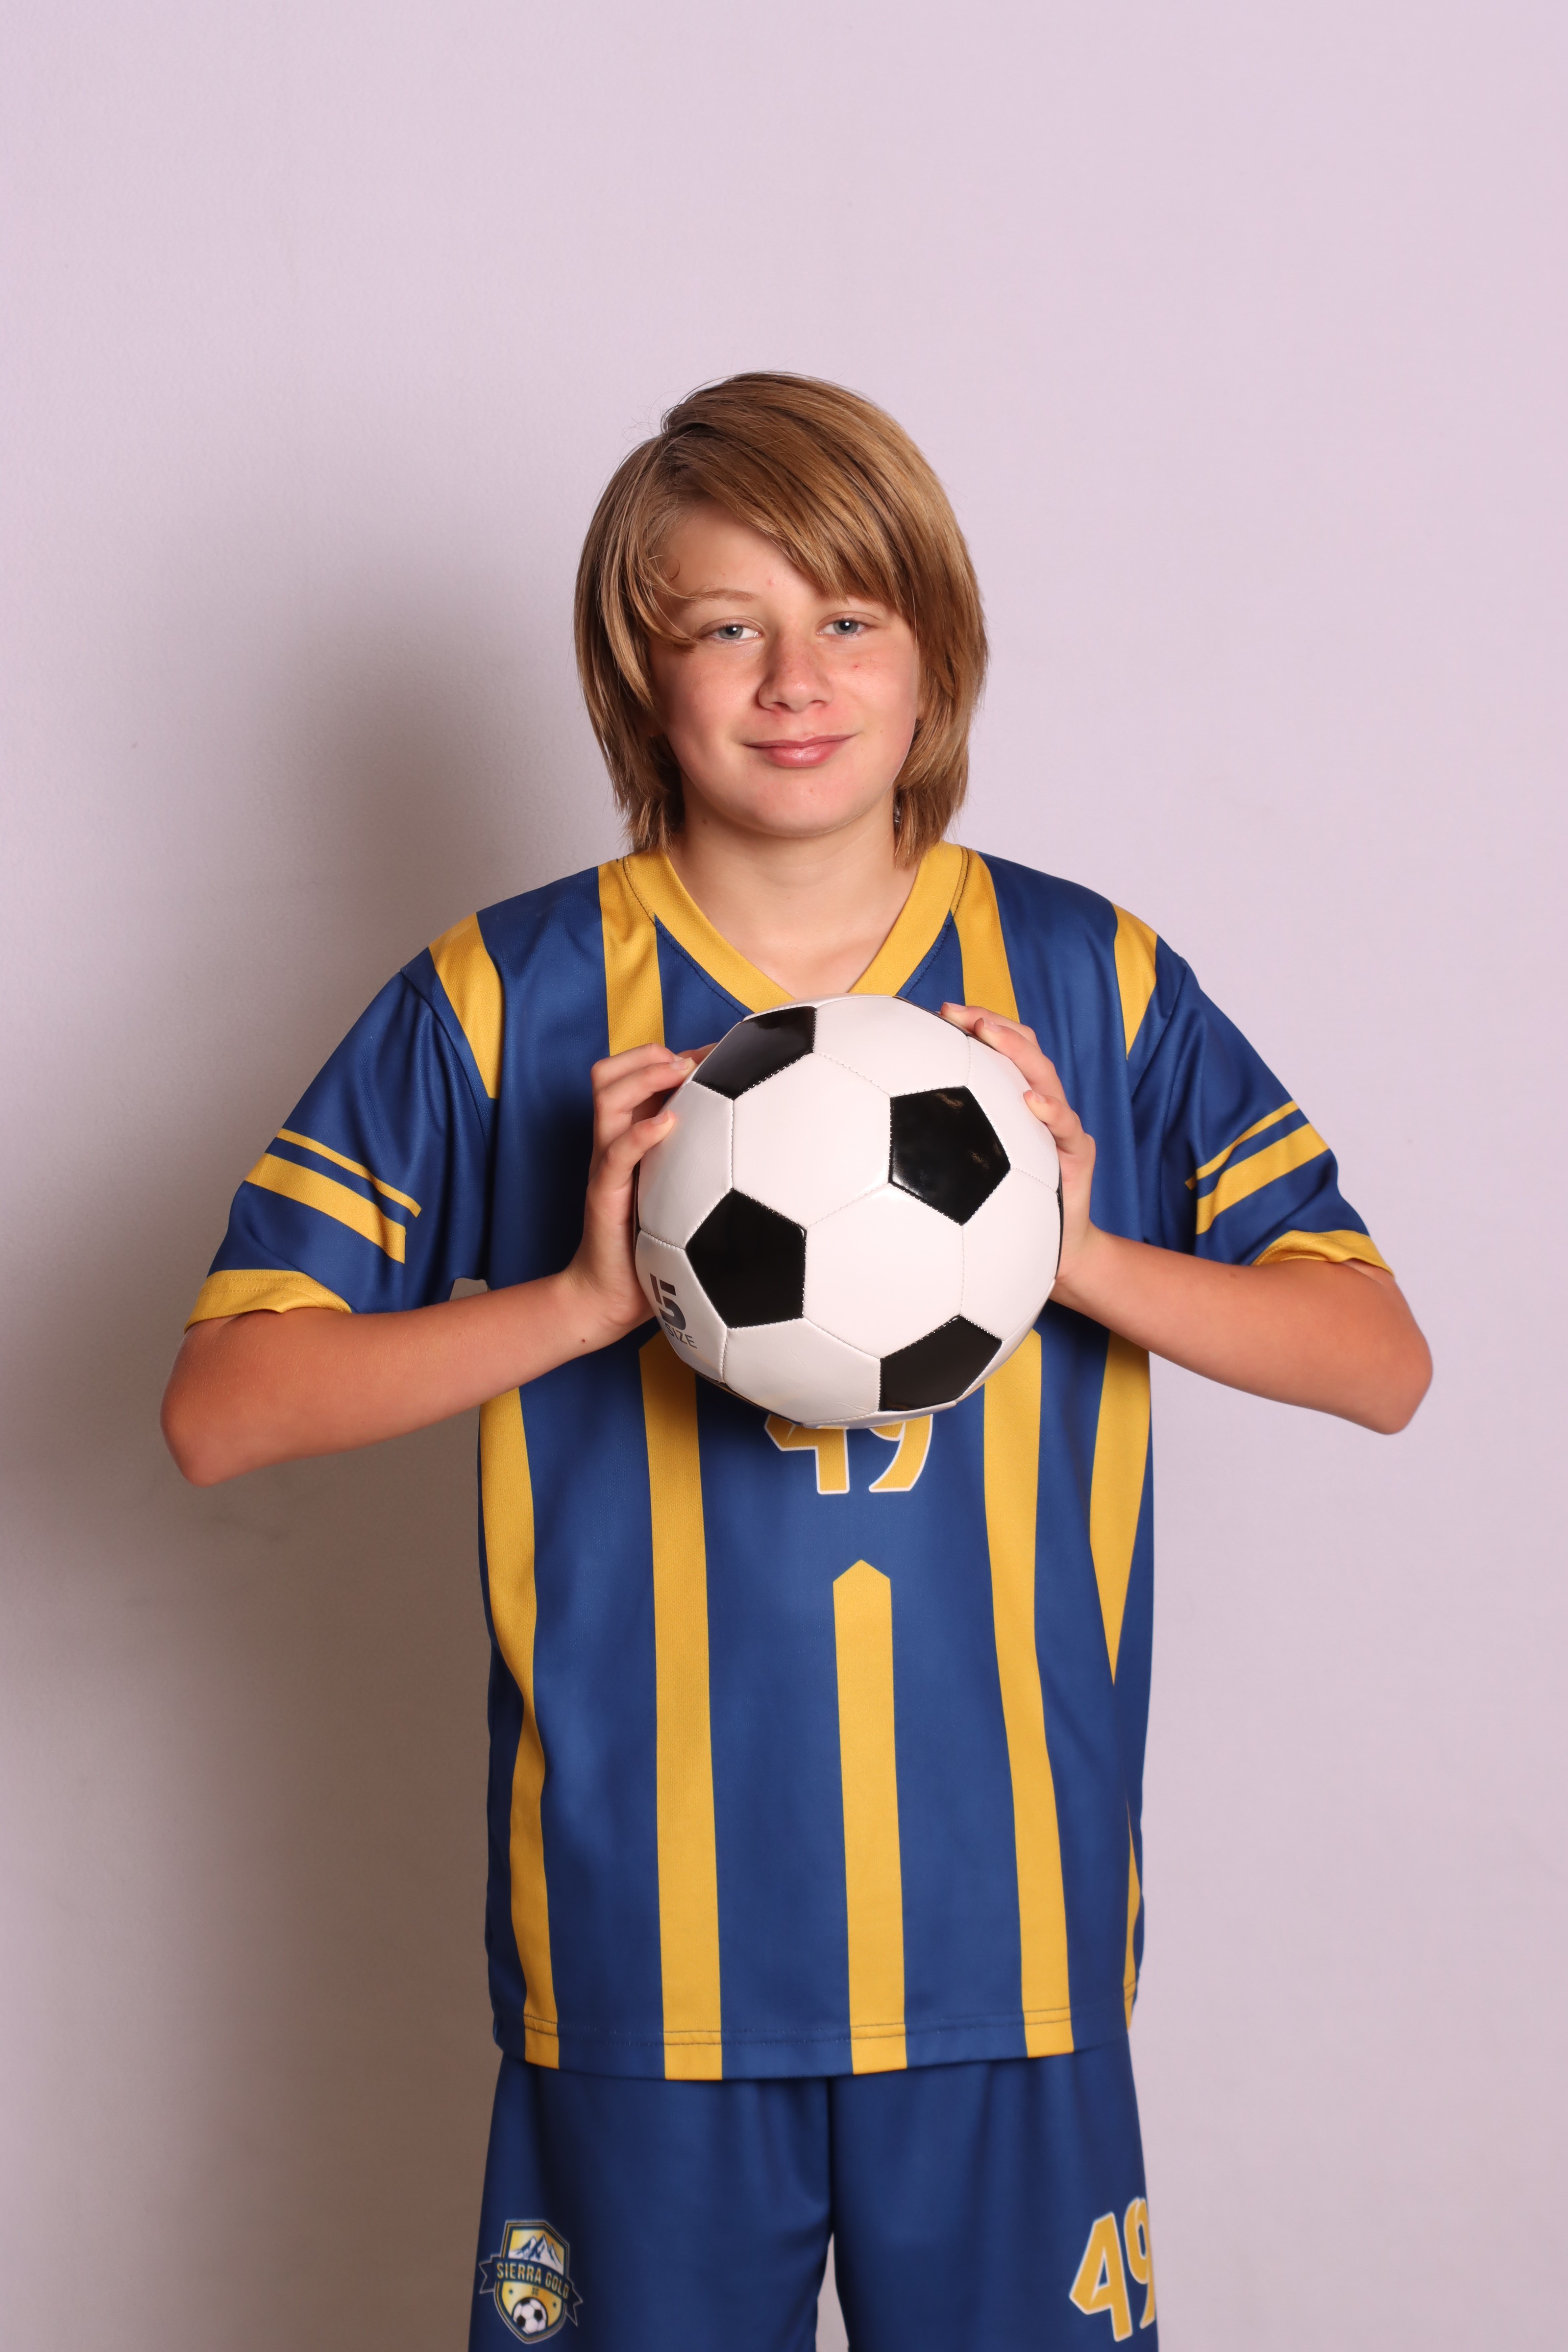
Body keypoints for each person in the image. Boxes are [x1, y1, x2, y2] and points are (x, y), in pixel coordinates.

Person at [161, 373, 1431, 2351]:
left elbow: (1377, 1360)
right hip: (641, 1960)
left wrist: (1071, 1251)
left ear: (935, 647)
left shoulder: (1088, 983)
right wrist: (581, 1302)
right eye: (723, 627)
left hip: (1003, 1949)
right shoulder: (502, 1000)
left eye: (847, 615)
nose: (793, 681)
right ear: (635, 670)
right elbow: (221, 1412)